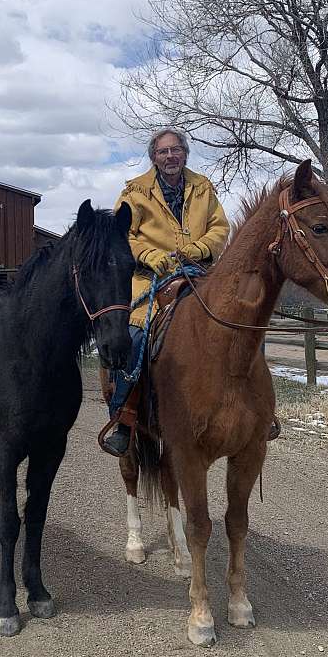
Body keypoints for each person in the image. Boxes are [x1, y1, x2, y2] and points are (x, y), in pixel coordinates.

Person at [102, 128, 230, 456]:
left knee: (238, 324)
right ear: (153, 157)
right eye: (163, 152)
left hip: (199, 276)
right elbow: (121, 234)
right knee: (131, 338)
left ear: (185, 154)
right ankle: (126, 419)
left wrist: (199, 249)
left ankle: (257, 408)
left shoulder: (203, 188)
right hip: (150, 280)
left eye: (176, 150)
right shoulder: (135, 192)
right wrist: (151, 255)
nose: (170, 156)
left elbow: (220, 228)